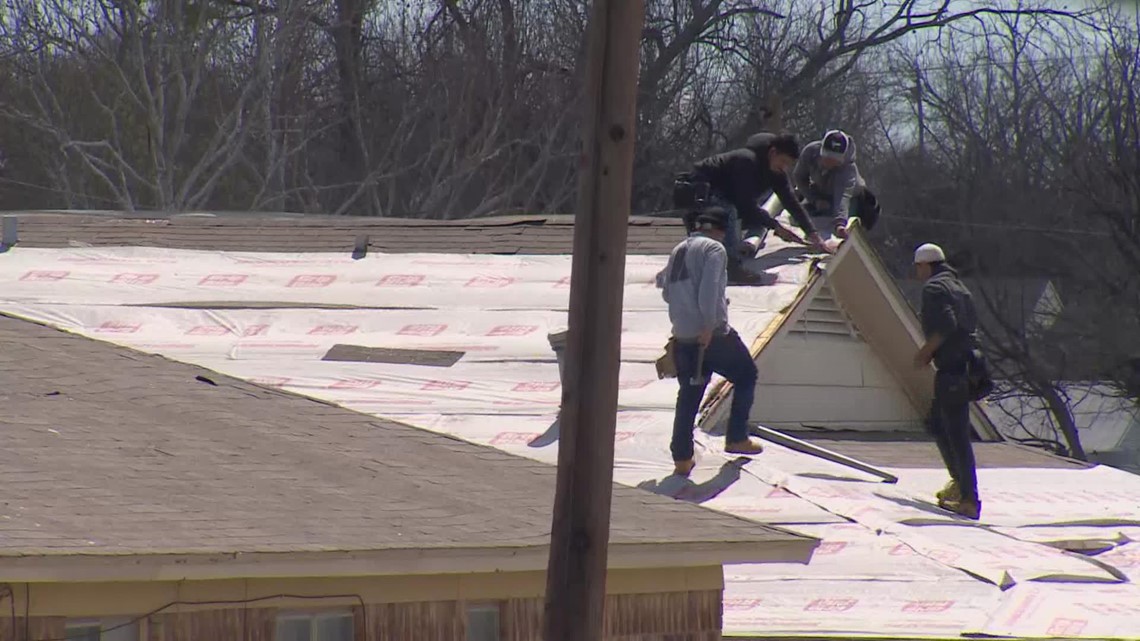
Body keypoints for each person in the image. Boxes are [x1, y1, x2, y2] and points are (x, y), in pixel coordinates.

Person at [656, 207, 765, 477]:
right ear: (721, 230)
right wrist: (708, 324)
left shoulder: (679, 249)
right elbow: (708, 291)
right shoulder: (714, 250)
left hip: (682, 335)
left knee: (690, 395)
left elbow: (668, 292)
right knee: (746, 374)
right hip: (712, 335)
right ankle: (737, 436)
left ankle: (682, 458)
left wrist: (689, 320)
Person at [685, 132, 828, 284]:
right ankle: (732, 268)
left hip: (721, 196)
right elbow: (745, 205)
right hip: (698, 191)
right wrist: (775, 226)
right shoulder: (747, 161)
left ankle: (714, 265)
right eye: (783, 162)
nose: (784, 167)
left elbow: (791, 202)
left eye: (788, 165)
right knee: (729, 213)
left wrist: (812, 233)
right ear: (773, 153)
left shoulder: (777, 173)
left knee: (746, 217)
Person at [912, 243, 982, 519]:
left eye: (918, 267)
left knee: (956, 435)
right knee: (937, 423)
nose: (917, 272)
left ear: (926, 265)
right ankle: (959, 485)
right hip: (969, 367)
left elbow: (945, 326)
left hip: (952, 370)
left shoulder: (934, 288)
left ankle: (968, 498)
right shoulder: (961, 288)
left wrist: (924, 354)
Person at [792, 129, 881, 239]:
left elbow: (843, 197)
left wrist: (840, 223)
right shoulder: (810, 152)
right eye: (827, 157)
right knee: (798, 218)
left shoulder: (848, 170)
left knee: (831, 225)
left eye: (834, 160)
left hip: (852, 200)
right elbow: (799, 177)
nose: (829, 163)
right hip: (821, 192)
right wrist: (814, 199)